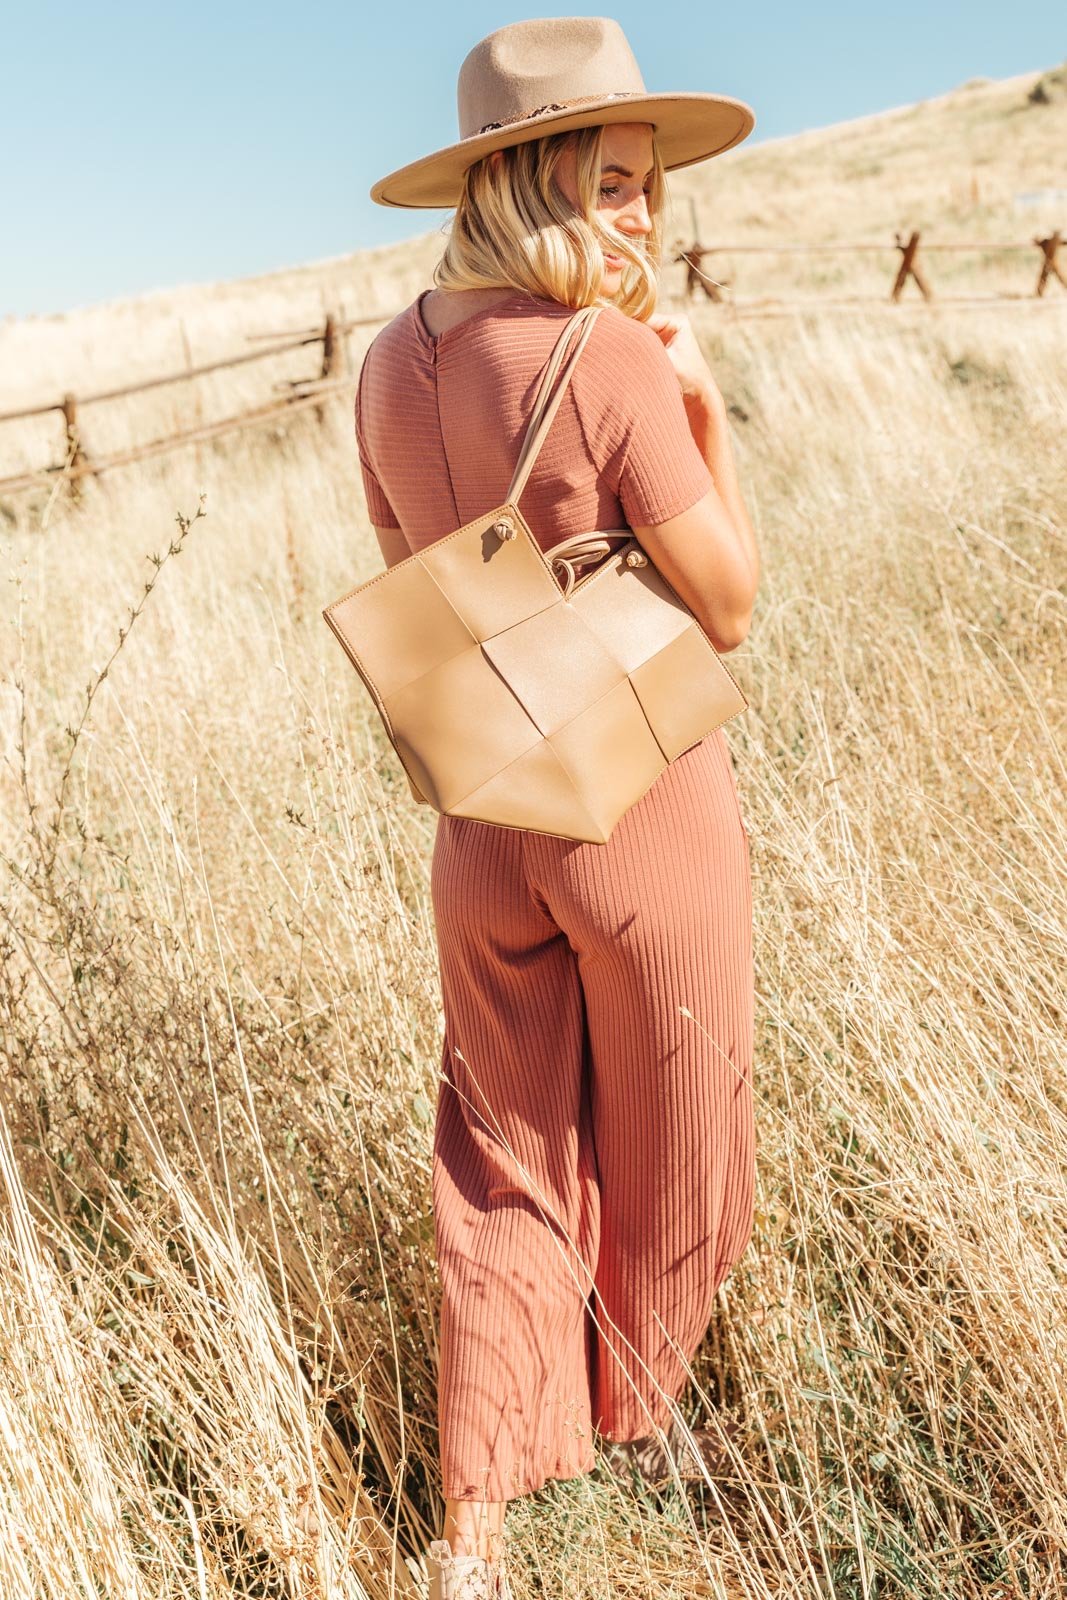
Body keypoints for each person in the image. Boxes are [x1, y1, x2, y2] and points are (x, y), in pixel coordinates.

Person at [354, 17, 760, 1599]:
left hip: (485, 810)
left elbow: (418, 576)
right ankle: (645, 1415)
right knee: (680, 1122)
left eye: (652, 185)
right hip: (641, 796)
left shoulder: (389, 360)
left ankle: (475, 1531)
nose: (648, 213)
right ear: (531, 177)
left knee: (501, 1149)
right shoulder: (610, 358)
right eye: (616, 178)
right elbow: (725, 604)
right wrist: (706, 415)